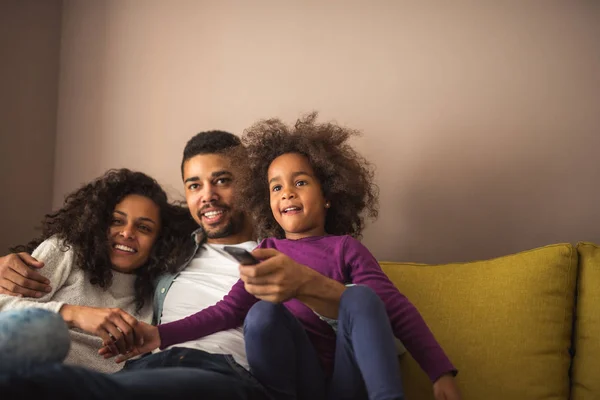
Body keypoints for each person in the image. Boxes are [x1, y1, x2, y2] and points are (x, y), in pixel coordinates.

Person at [106, 114, 460, 400]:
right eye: (276, 187)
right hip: (293, 383)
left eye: (301, 182)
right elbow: (226, 312)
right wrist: (159, 335)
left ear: (329, 195)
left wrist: (440, 372)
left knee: (363, 297)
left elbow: (393, 309)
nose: (287, 192)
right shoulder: (266, 254)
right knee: (261, 311)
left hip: (344, 381)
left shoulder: (346, 249)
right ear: (265, 201)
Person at [0, 129, 346, 400]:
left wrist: (311, 286)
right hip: (145, 367)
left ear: (252, 186)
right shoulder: (171, 252)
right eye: (195, 185)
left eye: (222, 180)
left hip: (222, 374)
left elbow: (348, 321)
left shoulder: (289, 253)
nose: (207, 194)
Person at [0, 168, 195, 374]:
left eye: (144, 228)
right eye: (116, 221)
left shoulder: (158, 292)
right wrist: (73, 314)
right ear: (98, 223)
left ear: (159, 240)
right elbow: (3, 307)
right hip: (24, 369)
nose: (128, 233)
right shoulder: (66, 250)